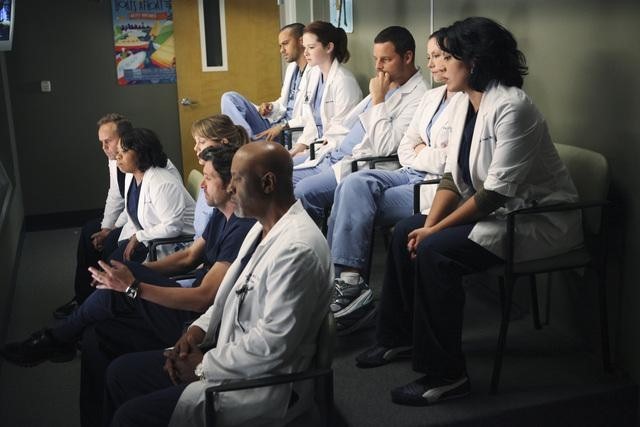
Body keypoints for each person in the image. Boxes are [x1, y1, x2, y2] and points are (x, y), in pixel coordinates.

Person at [355, 17, 583, 406]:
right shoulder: (464, 102)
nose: (437, 66)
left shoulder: (513, 108)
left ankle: (447, 376)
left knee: (435, 250)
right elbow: (451, 178)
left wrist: (434, 234)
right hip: (499, 212)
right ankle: (399, 338)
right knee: (404, 233)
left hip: (535, 219)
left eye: (447, 56)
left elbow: (494, 194)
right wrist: (428, 225)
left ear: (473, 61)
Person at [0, 144, 255, 426]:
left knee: (112, 298)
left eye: (208, 177)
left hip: (198, 318)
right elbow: (189, 257)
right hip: (189, 298)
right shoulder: (221, 214)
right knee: (96, 335)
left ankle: (57, 339)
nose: (202, 183)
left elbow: (204, 298)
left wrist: (134, 286)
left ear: (231, 184)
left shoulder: (242, 227)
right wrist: (140, 271)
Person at [102, 142, 333, 426]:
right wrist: (194, 333)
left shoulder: (298, 249)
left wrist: (202, 366)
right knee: (119, 372)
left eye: (237, 178)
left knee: (129, 417)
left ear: (268, 183)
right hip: (225, 354)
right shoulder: (262, 228)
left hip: (258, 388)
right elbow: (228, 297)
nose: (231, 189)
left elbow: (272, 346)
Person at [326, 30, 467, 334]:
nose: (434, 64)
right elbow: (405, 147)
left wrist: (420, 152)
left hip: (433, 185)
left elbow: (449, 162)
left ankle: (346, 285)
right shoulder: (432, 97)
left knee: (354, 202)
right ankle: (346, 283)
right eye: (431, 57)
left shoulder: (468, 103)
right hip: (407, 172)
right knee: (352, 185)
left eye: (441, 57)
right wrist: (420, 152)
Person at [293, 26, 427, 224]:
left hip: (357, 164)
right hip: (333, 154)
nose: (378, 66)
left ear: (407, 57)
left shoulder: (419, 96)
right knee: (278, 169)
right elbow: (348, 124)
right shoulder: (387, 84)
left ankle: (311, 246)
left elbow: (386, 146)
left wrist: (379, 99)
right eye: (376, 59)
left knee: (303, 190)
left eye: (386, 60)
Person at [53, 113, 132, 319]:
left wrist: (111, 232)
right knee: (91, 231)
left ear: (124, 138)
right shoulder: (114, 159)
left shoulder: (136, 159)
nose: (104, 147)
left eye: (108, 141)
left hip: (142, 225)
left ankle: (100, 303)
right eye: (101, 142)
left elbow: (136, 206)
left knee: (109, 243)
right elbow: (116, 195)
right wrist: (106, 227)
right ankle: (83, 298)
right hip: (132, 217)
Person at [109, 127, 195, 262]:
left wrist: (139, 237)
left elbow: (172, 227)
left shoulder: (162, 183)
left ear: (141, 153)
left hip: (175, 245)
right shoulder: (132, 176)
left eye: (124, 151)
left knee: (114, 266)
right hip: (150, 238)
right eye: (118, 151)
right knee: (109, 256)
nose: (117, 156)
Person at [220, 23, 308, 141]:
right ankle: (245, 139)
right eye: (280, 46)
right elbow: (284, 103)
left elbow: (312, 117)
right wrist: (271, 106)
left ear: (301, 41)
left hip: (288, 133)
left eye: (285, 44)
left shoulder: (316, 72)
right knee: (230, 98)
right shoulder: (292, 69)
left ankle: (247, 144)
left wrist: (282, 126)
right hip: (274, 125)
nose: (282, 50)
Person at [288, 20, 362, 158]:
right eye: (304, 48)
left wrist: (309, 152)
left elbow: (341, 131)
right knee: (280, 162)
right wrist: (298, 148)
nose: (305, 53)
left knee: (281, 170)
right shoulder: (314, 74)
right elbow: (312, 123)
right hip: (315, 147)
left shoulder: (344, 82)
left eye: (311, 47)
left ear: (328, 47)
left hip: (332, 151)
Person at [190, 115, 251, 238]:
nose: (196, 148)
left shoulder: (230, 184)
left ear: (223, 143)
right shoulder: (209, 180)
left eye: (202, 142)